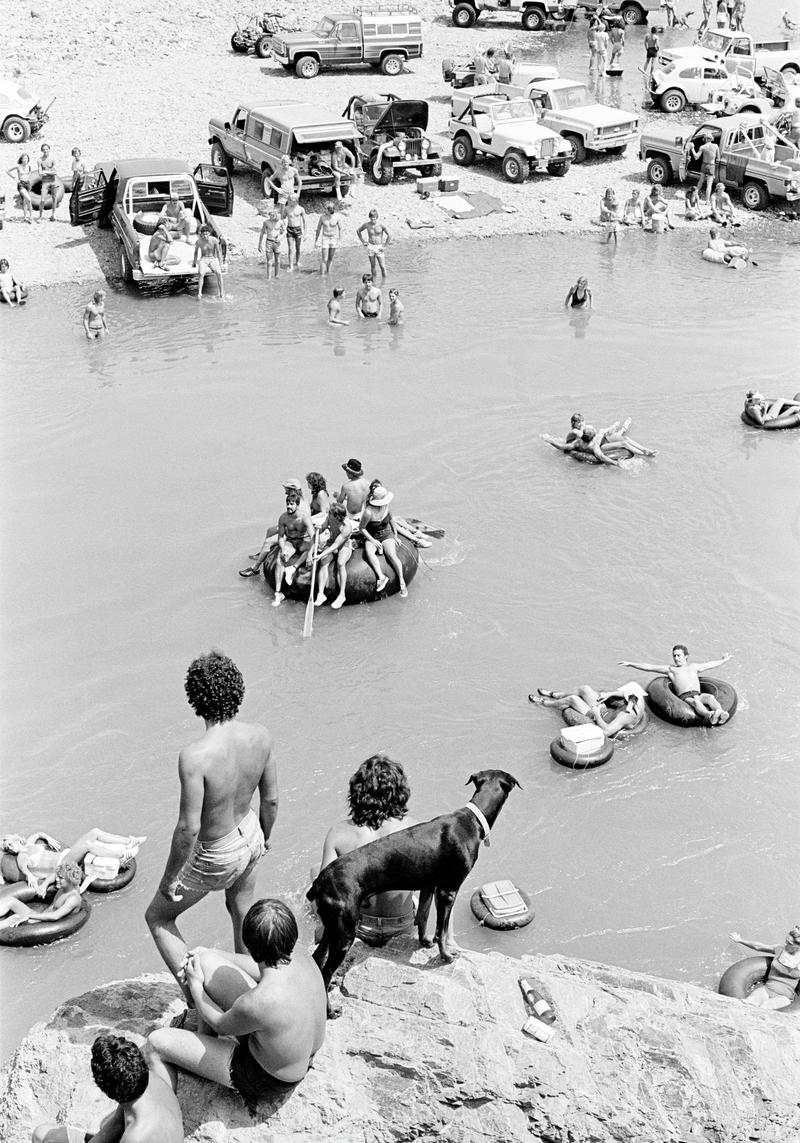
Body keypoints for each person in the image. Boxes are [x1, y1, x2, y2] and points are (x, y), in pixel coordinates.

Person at [144, 650, 277, 1009]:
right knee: (242, 911)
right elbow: (271, 801)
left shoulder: (195, 756)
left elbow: (188, 828)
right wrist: (263, 839)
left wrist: (170, 878)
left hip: (215, 852)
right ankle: (256, 1000)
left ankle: (199, 1003)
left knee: (158, 917)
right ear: (238, 691)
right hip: (249, 834)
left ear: (195, 700)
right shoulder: (260, 736)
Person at [146, 899, 326, 1108]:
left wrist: (196, 986)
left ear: (250, 946)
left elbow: (220, 1024)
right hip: (301, 1054)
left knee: (156, 1042)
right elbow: (256, 965)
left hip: (269, 1078)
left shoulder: (258, 1002)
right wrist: (209, 953)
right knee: (205, 962)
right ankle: (196, 1044)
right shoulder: (302, 956)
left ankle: (165, 1113)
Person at [317, 755, 418, 944]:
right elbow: (440, 884)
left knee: (317, 874)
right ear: (400, 793)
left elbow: (325, 894)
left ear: (357, 793)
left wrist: (324, 929)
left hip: (359, 926)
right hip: (401, 925)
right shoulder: (416, 829)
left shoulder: (339, 832)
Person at [32, 1033, 184, 1143]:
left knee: (43, 1138)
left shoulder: (135, 1137)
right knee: (42, 1133)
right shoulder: (145, 1080)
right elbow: (118, 1121)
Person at [1, 828, 143, 894]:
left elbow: (38, 833)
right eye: (8, 848)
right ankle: (120, 856)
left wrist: (48, 838)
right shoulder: (22, 856)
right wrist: (29, 875)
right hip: (61, 864)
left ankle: (130, 841)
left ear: (15, 839)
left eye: (10, 844)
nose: (10, 848)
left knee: (95, 832)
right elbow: (24, 866)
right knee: (88, 845)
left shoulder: (29, 844)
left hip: (65, 855)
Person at [619, 644, 733, 725]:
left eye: (678, 655)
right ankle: (709, 715)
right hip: (685, 696)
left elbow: (710, 664)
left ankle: (720, 712)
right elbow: (649, 667)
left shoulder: (693, 667)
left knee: (710, 697)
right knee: (696, 702)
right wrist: (630, 664)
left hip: (698, 693)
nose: (676, 658)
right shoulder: (671, 669)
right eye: (674, 656)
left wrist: (723, 660)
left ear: (686, 656)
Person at [239, 479, 312, 578]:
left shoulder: (299, 503)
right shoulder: (299, 498)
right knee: (270, 530)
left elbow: (297, 521)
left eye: (286, 489)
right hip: (293, 526)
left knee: (269, 541)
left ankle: (254, 568)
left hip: (297, 533)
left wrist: (283, 529)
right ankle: (262, 554)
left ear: (291, 490)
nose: (285, 491)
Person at [529, 682, 648, 738]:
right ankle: (557, 695)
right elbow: (624, 693)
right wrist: (609, 694)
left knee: (573, 699)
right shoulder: (637, 700)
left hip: (600, 717)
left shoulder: (626, 715)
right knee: (585, 689)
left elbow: (606, 732)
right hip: (605, 710)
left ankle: (546, 703)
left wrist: (596, 714)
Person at [728, 926, 800, 1010]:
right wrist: (740, 940)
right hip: (766, 989)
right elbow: (758, 946)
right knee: (749, 1002)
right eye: (786, 941)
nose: (786, 944)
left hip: (784, 997)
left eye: (790, 944)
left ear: (798, 946)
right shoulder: (779, 949)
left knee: (765, 1007)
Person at [0, 860, 82, 931]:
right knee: (10, 900)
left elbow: (55, 916)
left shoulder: (73, 898)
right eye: (58, 877)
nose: (57, 879)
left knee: (15, 918)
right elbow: (54, 875)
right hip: (40, 915)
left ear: (70, 879)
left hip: (45, 924)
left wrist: (27, 916)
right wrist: (44, 885)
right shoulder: (65, 887)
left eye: (61, 878)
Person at [360, 482, 407, 597]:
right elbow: (362, 528)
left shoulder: (386, 506)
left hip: (386, 534)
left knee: (391, 555)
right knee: (370, 552)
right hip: (373, 535)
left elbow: (391, 520)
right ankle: (381, 577)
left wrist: (395, 535)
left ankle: (402, 581)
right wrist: (373, 540)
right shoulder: (368, 512)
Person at [271, 489, 315, 606]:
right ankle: (278, 593)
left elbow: (313, 536)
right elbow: (281, 536)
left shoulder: (304, 518)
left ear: (297, 505)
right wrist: (282, 549)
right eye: (287, 504)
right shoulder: (283, 518)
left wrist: (310, 554)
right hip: (290, 541)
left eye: (292, 504)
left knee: (308, 550)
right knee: (280, 560)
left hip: (302, 541)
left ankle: (293, 568)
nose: (289, 506)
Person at [312, 501, 359, 609]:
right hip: (332, 540)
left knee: (340, 563)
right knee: (324, 561)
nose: (328, 514)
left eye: (330, 514)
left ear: (337, 517)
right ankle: (321, 594)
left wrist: (320, 554)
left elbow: (336, 545)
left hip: (344, 544)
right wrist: (319, 528)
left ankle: (342, 595)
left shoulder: (346, 527)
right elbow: (324, 526)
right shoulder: (329, 516)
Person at [357, 209, 391, 280]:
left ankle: (384, 282)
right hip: (370, 247)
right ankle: (374, 281)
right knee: (373, 266)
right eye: (372, 217)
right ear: (369, 217)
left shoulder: (381, 225)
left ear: (377, 217)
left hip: (379, 247)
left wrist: (385, 246)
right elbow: (358, 231)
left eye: (374, 217)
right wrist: (363, 241)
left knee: (382, 266)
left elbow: (389, 235)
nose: (373, 218)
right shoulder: (367, 225)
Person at [193, 224, 225, 300]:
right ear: (201, 234)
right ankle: (199, 294)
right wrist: (194, 262)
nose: (205, 236)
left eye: (207, 234)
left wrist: (221, 264)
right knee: (201, 273)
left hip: (213, 258)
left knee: (219, 273)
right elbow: (196, 252)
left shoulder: (214, 240)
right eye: (203, 234)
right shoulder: (199, 242)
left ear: (209, 233)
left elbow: (218, 252)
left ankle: (221, 293)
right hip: (203, 259)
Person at [336, 458, 370, 522]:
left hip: (350, 515)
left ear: (350, 473)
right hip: (363, 513)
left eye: (347, 472)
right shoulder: (368, 483)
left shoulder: (346, 486)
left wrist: (337, 496)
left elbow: (339, 503)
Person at [315, 202, 342, 275]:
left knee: (330, 258)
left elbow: (340, 229)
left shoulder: (337, 217)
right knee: (324, 259)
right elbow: (318, 229)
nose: (324, 210)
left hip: (333, 238)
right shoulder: (322, 217)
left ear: (329, 210)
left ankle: (329, 274)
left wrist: (339, 240)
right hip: (325, 238)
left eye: (325, 209)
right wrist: (316, 240)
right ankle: (322, 276)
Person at [692, 132, 720, 201]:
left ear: (705, 139)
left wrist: (692, 148)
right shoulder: (716, 146)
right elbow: (718, 159)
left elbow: (696, 157)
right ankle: (707, 201)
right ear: (712, 139)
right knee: (709, 185)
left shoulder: (702, 147)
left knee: (700, 181)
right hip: (711, 166)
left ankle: (694, 196)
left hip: (704, 165)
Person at [258, 208, 286, 279]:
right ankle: (269, 278)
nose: (271, 217)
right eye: (270, 215)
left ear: (276, 215)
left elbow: (285, 232)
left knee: (278, 261)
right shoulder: (266, 222)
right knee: (269, 262)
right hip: (269, 242)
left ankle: (277, 275)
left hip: (277, 242)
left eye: (272, 215)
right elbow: (262, 233)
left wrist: (280, 237)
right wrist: (259, 244)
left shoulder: (280, 222)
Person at [8, 153, 33, 223]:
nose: (25, 160)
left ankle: (25, 217)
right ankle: (31, 216)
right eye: (24, 158)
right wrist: (15, 178)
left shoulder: (29, 166)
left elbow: (30, 173)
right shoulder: (18, 166)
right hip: (21, 185)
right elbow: (7, 171)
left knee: (25, 201)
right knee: (29, 199)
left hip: (27, 184)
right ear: (21, 159)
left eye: (27, 158)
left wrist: (28, 179)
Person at [283, 195, 306, 270]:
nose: (288, 201)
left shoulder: (301, 209)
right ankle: (291, 266)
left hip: (298, 230)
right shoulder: (286, 208)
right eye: (288, 200)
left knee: (298, 248)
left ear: (295, 201)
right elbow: (283, 218)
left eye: (290, 200)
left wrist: (305, 233)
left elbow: (304, 221)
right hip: (289, 229)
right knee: (290, 248)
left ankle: (297, 261)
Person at [37, 143, 57, 222]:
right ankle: (40, 216)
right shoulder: (40, 160)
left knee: (54, 198)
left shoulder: (52, 159)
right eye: (44, 149)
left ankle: (53, 215)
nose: (45, 151)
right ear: (42, 150)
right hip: (45, 182)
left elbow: (55, 172)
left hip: (53, 181)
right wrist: (49, 171)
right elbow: (40, 173)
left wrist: (45, 171)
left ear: (49, 150)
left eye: (47, 149)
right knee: (42, 199)